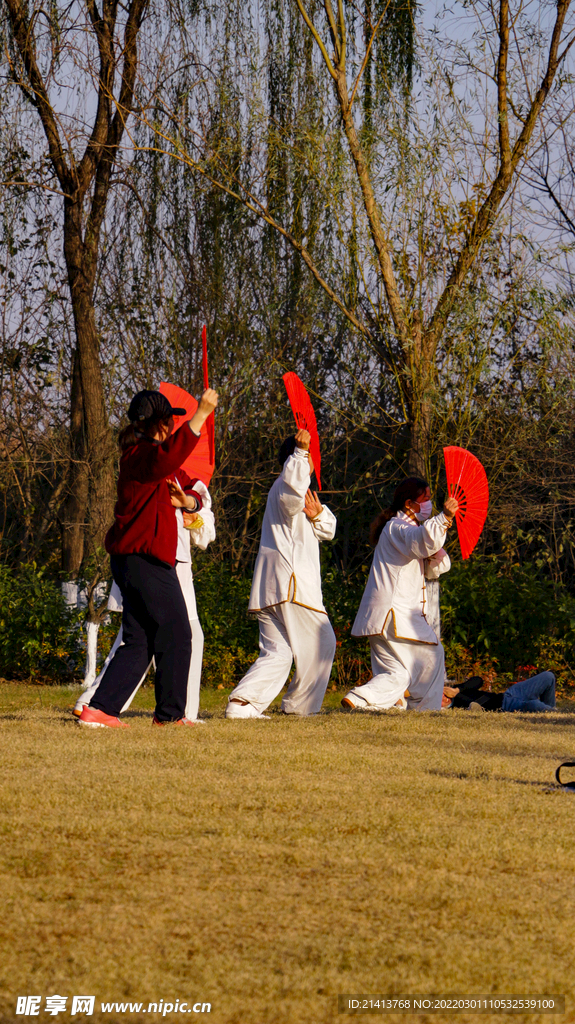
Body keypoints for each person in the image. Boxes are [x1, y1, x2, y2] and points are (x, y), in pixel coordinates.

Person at [77, 387, 218, 729]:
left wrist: (190, 504)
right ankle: (169, 717)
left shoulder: (154, 461)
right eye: (169, 422)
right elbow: (167, 459)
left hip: (135, 561)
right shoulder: (139, 456)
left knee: (139, 640)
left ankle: (100, 711)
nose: (172, 427)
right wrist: (200, 415)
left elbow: (192, 486)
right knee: (177, 631)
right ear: (157, 425)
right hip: (144, 561)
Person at [73, 479, 215, 721]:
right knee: (161, 637)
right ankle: (172, 715)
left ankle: (97, 705)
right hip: (150, 562)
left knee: (140, 639)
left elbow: (205, 532)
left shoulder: (190, 481)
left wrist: (190, 509)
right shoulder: (151, 469)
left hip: (169, 565)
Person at [225, 429, 337, 719]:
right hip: (292, 585)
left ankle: (242, 705)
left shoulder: (295, 492)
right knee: (323, 641)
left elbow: (329, 530)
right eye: (308, 459)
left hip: (274, 587)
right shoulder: (287, 488)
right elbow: (292, 495)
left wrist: (317, 514)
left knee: (278, 653)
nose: (312, 463)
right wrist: (300, 452)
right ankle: (301, 707)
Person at [342, 477, 457, 712]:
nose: (430, 503)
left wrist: (435, 543)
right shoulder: (398, 527)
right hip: (396, 614)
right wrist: (444, 518)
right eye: (425, 498)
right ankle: (425, 710)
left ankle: (359, 699)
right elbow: (421, 542)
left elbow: (437, 565)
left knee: (397, 673)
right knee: (433, 654)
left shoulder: (406, 531)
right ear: (408, 504)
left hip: (384, 616)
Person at [442, 671, 556, 712]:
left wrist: (457, 689)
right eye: (439, 700)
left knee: (548, 676)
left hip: (509, 694)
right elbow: (472, 705)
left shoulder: (455, 690)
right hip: (506, 707)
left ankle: (551, 713)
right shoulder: (454, 710)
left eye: (441, 694)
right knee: (535, 705)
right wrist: (457, 696)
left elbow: (478, 681)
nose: (443, 697)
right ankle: (554, 714)